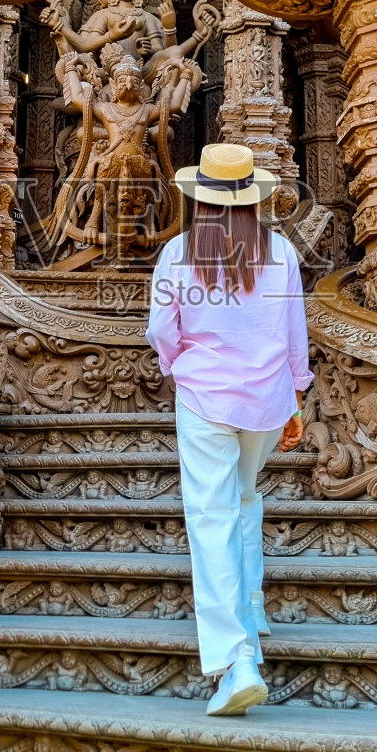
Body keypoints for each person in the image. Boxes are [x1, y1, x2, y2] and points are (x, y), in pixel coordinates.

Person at [145, 142, 312, 716]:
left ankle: (236, 659)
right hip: (266, 398)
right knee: (243, 496)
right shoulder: (282, 252)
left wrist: (177, 367)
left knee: (212, 517)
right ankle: (254, 605)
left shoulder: (179, 252)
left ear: (201, 199)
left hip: (205, 396)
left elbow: (162, 329)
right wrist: (297, 394)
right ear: (252, 200)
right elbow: (295, 332)